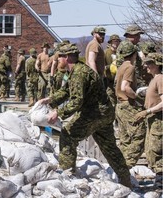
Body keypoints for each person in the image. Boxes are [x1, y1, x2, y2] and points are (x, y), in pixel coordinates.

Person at [38, 43, 132, 188]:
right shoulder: (74, 71)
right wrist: (50, 100)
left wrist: (58, 112)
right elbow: (66, 92)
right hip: (103, 112)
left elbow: (76, 100)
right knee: (109, 147)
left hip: (95, 112)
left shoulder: (79, 73)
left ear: (67, 57)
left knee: (68, 135)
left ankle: (67, 175)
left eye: (60, 57)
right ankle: (126, 180)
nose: (57, 60)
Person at [115, 40, 146, 169]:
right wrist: (138, 98)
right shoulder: (130, 67)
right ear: (133, 54)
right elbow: (125, 87)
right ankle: (126, 166)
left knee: (125, 140)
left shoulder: (121, 66)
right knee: (140, 136)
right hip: (127, 105)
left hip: (120, 106)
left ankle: (120, 168)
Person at [135, 52, 163, 189]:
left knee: (156, 150)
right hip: (152, 119)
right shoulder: (154, 79)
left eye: (150, 63)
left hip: (158, 120)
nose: (146, 66)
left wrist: (148, 111)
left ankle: (160, 183)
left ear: (157, 65)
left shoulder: (160, 79)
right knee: (151, 150)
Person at [104, 34, 121, 106]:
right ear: (110, 42)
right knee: (111, 102)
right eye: (114, 41)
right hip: (109, 82)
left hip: (119, 81)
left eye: (117, 41)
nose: (116, 43)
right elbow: (102, 67)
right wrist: (110, 66)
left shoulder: (121, 53)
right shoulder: (106, 52)